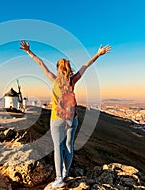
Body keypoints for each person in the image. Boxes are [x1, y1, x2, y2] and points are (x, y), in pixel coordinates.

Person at [19, 40, 111, 188]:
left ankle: (59, 178)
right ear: (68, 69)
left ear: (58, 68)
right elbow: (85, 66)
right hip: (72, 119)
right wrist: (98, 54)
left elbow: (40, 63)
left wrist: (29, 51)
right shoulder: (73, 81)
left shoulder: (54, 80)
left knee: (58, 147)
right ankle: (66, 174)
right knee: (69, 146)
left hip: (57, 119)